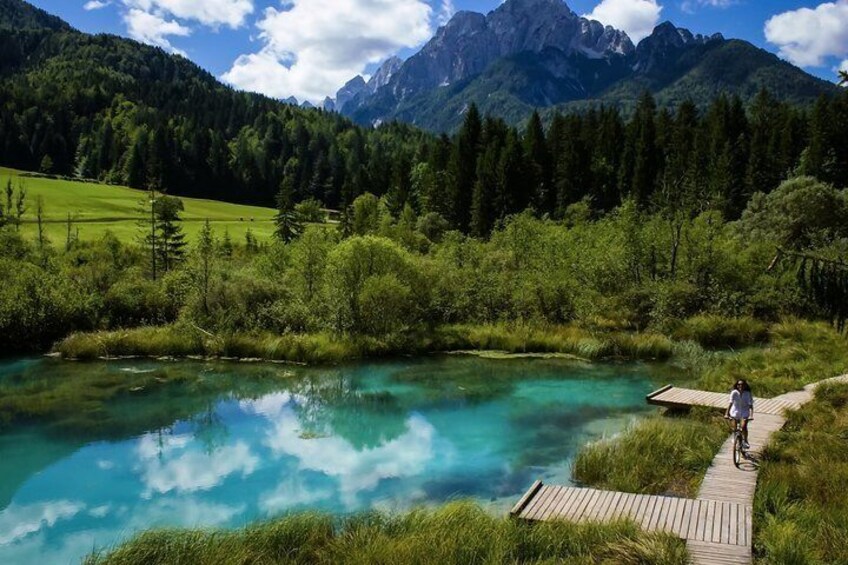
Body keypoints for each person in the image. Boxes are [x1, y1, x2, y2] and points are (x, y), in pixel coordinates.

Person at [725, 379, 754, 449]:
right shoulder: (734, 392)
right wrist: (726, 414)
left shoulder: (748, 393)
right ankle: (735, 437)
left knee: (743, 427)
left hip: (744, 412)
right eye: (739, 384)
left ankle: (745, 440)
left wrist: (751, 415)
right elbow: (730, 403)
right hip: (735, 412)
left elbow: (750, 406)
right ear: (737, 385)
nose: (740, 386)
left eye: (742, 384)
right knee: (734, 428)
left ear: (745, 385)